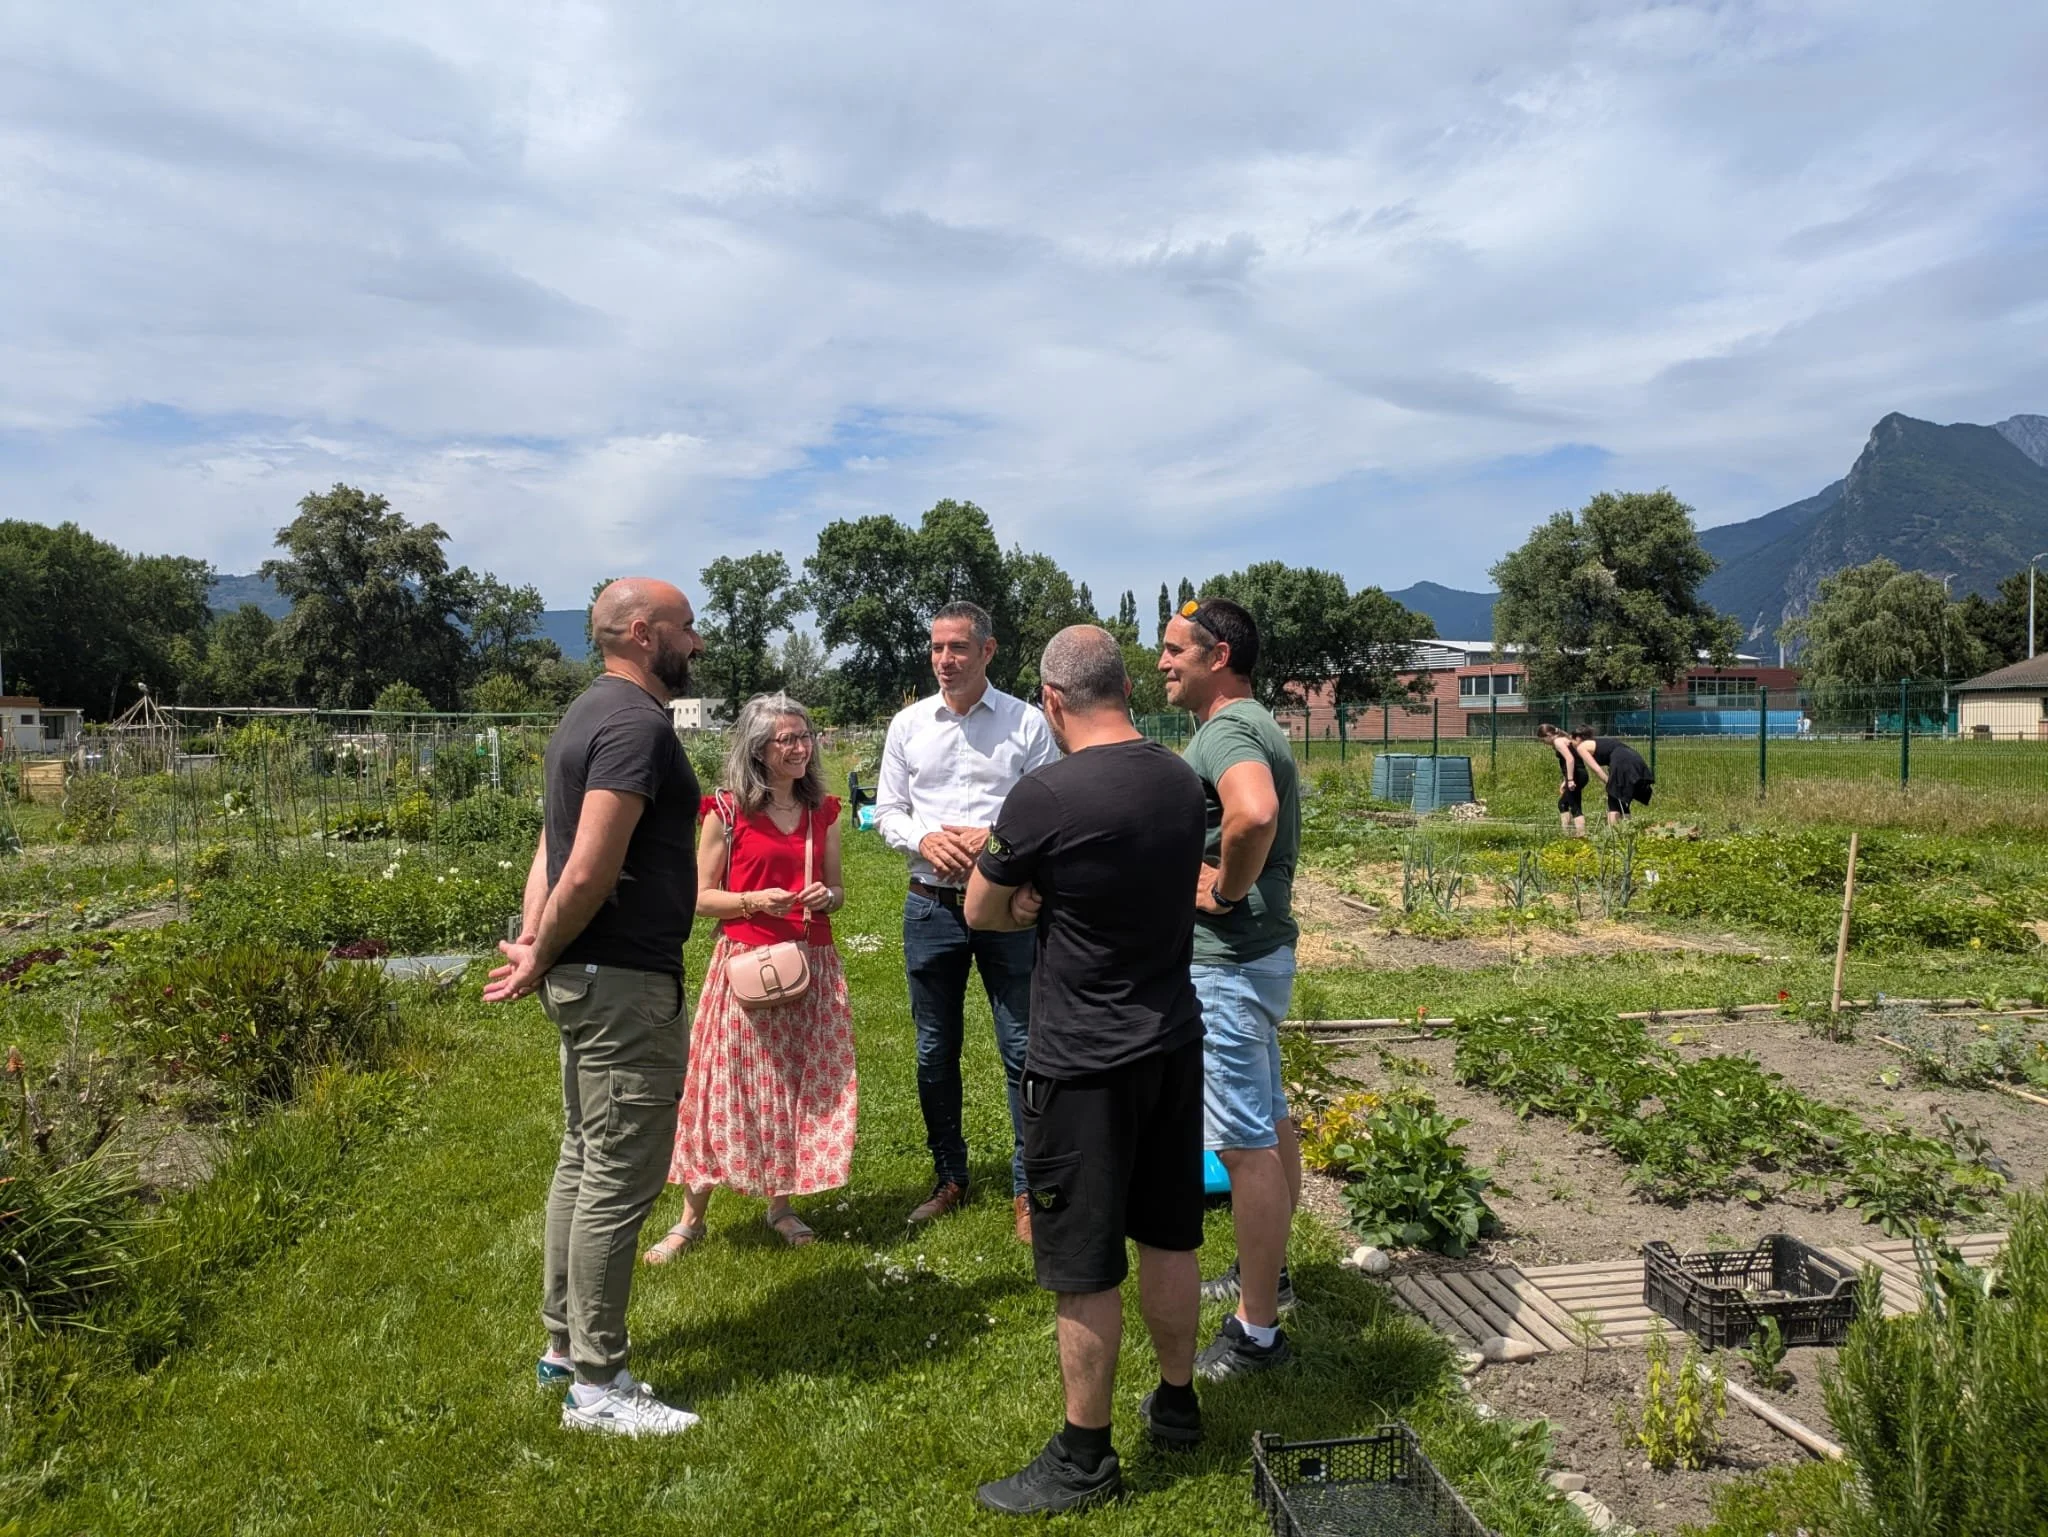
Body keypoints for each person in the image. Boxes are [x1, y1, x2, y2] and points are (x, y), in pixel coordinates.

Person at [964, 626, 1209, 1515]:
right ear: (1127, 687)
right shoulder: (1180, 780)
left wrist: (1029, 899)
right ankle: (1177, 1403)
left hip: (1085, 1059)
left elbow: (981, 906)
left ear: (1051, 701)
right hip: (1173, 1039)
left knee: (1084, 1261)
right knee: (1172, 1234)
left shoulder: (1046, 794)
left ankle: (1084, 1455)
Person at [483, 578, 705, 1438]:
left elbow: (553, 843)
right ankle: (599, 1384)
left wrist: (535, 941)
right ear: (645, 633)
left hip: (588, 975)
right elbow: (588, 864)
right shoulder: (636, 725)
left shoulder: (583, 715)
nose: (697, 642)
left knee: (584, 1155)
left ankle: (563, 1347)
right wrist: (539, 948)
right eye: (687, 628)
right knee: (618, 1173)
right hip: (623, 982)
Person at [644, 692, 856, 1261]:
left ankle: (781, 1205)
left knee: (793, 1085)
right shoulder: (727, 811)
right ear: (758, 750)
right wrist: (752, 900)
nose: (801, 748)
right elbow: (698, 897)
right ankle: (690, 1220)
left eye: (804, 736)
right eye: (787, 739)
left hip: (809, 960)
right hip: (746, 963)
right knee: (723, 1085)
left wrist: (827, 896)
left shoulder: (823, 812)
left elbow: (838, 890)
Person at [876, 600, 1059, 1239]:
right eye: (936, 648)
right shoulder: (908, 725)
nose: (945, 660)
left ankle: (1028, 1187)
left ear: (988, 650)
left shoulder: (1027, 723)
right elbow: (888, 810)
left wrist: (996, 838)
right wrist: (924, 839)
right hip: (931, 905)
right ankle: (950, 1176)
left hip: (1007, 907)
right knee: (934, 1050)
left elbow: (1051, 808)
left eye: (957, 647)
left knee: (1023, 1047)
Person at [1158, 596, 1301, 1380]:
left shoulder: (1226, 730)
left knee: (1243, 1142)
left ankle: (1257, 1332)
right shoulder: (1255, 722)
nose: (1162, 662)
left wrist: (1222, 890)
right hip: (1258, 957)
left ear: (1218, 657)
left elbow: (1254, 812)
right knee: (1270, 1120)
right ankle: (1268, 1278)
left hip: (1229, 963)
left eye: (1175, 649)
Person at [1572, 727, 1655, 823]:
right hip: (1634, 758)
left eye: (1572, 740)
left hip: (1621, 761)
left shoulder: (1581, 747)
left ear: (1577, 738)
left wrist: (1608, 782)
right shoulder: (1597, 742)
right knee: (1622, 801)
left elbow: (1596, 769)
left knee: (1613, 802)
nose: (1572, 745)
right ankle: (1628, 828)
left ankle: (1613, 831)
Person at [1537, 722, 1586, 837]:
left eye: (1543, 740)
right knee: (1567, 804)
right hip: (1579, 774)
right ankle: (1571, 834)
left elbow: (1570, 759)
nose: (1544, 743)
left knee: (1569, 805)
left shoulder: (1558, 741)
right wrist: (1566, 780)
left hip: (1576, 776)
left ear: (1549, 735)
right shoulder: (1564, 739)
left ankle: (1578, 835)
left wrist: (1570, 780)